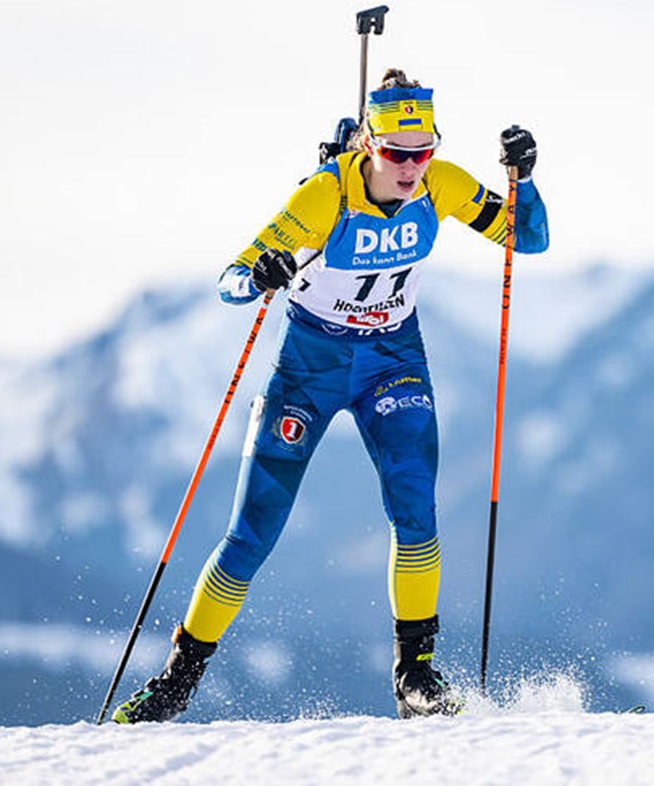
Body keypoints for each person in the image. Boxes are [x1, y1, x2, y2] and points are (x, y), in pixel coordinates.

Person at [113, 69, 549, 722]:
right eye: (399, 154)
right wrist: (262, 271)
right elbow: (231, 279)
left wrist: (525, 179)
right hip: (309, 369)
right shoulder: (325, 196)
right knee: (251, 535)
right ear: (368, 145)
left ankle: (415, 674)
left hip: (392, 362)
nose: (411, 168)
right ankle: (178, 678)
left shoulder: (443, 184)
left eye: (423, 151)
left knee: (416, 509)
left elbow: (529, 237)